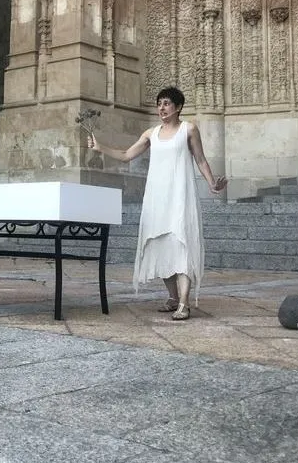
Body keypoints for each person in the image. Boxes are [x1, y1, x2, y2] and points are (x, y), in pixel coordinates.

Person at [87, 87, 227, 321]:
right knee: (161, 245)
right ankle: (173, 297)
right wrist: (100, 147)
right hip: (156, 198)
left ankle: (184, 303)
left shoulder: (188, 129)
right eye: (159, 103)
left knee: (182, 244)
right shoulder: (151, 133)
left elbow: (200, 160)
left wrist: (212, 183)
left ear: (178, 107)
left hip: (180, 196)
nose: (161, 108)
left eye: (167, 103)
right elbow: (126, 154)